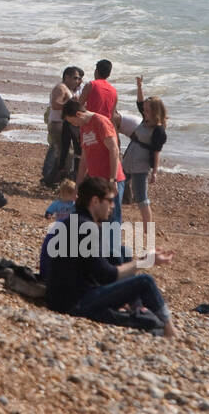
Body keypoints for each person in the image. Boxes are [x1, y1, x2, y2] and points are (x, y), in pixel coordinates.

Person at [43, 177, 177, 336]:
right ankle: (170, 331)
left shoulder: (73, 221)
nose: (113, 206)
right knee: (145, 281)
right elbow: (106, 274)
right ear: (95, 201)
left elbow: (92, 268)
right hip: (74, 303)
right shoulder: (86, 228)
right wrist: (144, 262)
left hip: (59, 297)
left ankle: (137, 308)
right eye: (110, 201)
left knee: (118, 254)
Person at [64, 99, 125, 254]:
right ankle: (101, 252)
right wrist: (78, 184)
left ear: (79, 114)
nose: (74, 126)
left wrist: (113, 180)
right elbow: (84, 158)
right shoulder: (84, 127)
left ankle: (113, 255)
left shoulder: (100, 122)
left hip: (110, 179)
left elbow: (114, 150)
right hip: (95, 181)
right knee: (97, 218)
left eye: (73, 122)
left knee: (112, 218)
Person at [117, 76, 168, 236]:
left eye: (147, 110)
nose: (144, 112)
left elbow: (156, 151)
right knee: (116, 187)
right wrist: (139, 86)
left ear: (155, 111)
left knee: (141, 197)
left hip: (141, 165)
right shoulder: (145, 120)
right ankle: (113, 221)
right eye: (144, 110)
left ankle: (148, 229)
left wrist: (154, 172)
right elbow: (140, 103)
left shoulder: (158, 129)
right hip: (128, 159)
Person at [42, 66, 83, 187]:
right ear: (67, 77)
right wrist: (71, 104)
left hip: (64, 125)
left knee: (62, 153)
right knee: (66, 153)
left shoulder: (69, 89)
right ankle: (55, 179)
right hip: (57, 124)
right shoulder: (61, 87)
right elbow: (55, 104)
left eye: (79, 78)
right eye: (75, 78)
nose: (77, 81)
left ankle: (51, 179)